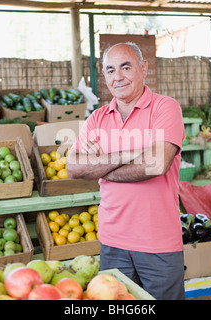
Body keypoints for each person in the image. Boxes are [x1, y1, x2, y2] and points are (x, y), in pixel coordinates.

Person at [66, 42, 185, 300]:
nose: (117, 76)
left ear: (143, 68)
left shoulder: (165, 108)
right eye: (110, 70)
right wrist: (131, 154)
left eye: (125, 67)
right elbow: (74, 167)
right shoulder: (97, 118)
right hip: (113, 241)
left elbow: (155, 164)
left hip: (158, 242)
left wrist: (100, 166)